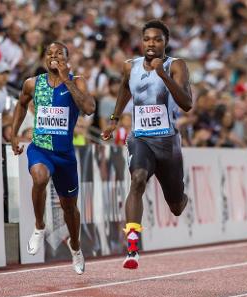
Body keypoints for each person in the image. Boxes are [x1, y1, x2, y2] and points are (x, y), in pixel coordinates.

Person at [101, 19, 193, 269]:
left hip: (168, 143)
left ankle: (181, 197)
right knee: (138, 178)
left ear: (166, 42)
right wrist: (114, 119)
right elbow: (123, 90)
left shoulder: (177, 66)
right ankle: (132, 248)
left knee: (175, 205)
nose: (151, 44)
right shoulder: (130, 67)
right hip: (140, 138)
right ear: (142, 42)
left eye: (157, 39)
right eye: (147, 39)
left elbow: (187, 104)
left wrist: (163, 75)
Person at [11, 41, 95, 275]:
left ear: (67, 59)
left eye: (59, 53)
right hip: (41, 148)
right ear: (44, 59)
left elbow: (89, 108)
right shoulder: (32, 83)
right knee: (39, 177)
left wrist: (66, 78)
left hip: (65, 155)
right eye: (49, 53)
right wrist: (14, 134)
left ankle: (75, 246)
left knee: (70, 208)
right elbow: (20, 105)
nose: (53, 56)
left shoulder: (76, 82)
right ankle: (39, 226)